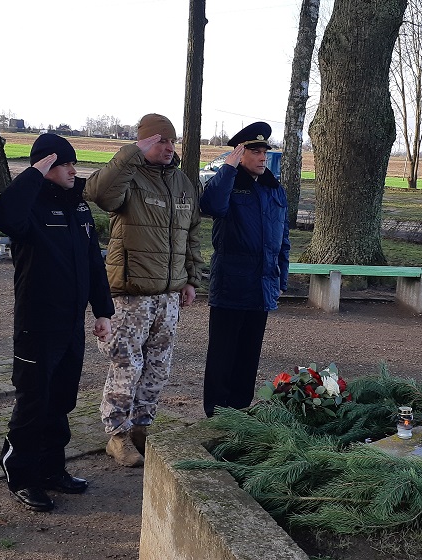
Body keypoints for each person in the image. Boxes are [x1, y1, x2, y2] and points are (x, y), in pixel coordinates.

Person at [0, 134, 114, 512]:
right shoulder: (29, 204)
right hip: (37, 323)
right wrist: (33, 173)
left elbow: (93, 263)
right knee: (34, 400)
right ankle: (22, 474)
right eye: (64, 164)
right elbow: (4, 215)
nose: (73, 170)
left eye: (73, 163)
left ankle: (51, 469)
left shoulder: (78, 206)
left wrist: (103, 311)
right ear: (45, 165)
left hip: (70, 323)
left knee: (61, 398)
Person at [84, 113, 202, 467]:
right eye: (159, 140)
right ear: (144, 141)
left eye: (171, 141)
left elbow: (191, 233)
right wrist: (131, 153)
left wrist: (191, 279)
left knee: (158, 366)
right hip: (131, 293)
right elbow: (98, 193)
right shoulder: (128, 175)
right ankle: (117, 435)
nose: (168, 147)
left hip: (168, 295)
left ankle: (141, 427)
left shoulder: (182, 182)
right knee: (127, 364)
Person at [199, 122, 290, 417]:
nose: (263, 157)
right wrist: (227, 169)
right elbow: (211, 205)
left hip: (262, 285)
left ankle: (240, 411)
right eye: (256, 152)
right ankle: (216, 415)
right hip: (232, 284)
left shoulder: (274, 189)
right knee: (223, 354)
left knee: (249, 355)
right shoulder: (229, 183)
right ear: (240, 154)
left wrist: (281, 278)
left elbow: (283, 238)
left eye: (265, 151)